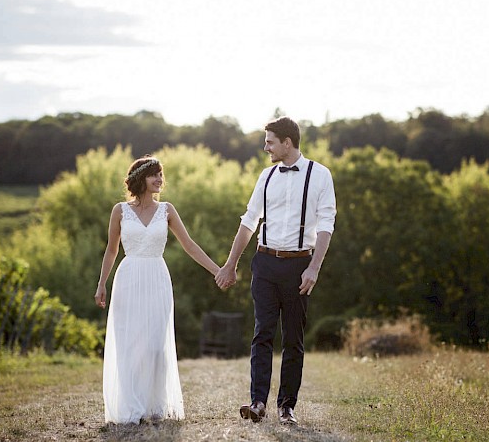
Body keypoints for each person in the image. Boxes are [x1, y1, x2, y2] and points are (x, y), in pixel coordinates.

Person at [215, 117, 336, 426]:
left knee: (293, 338)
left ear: (287, 142)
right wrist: (231, 263)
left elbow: (326, 225)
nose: (265, 146)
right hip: (265, 263)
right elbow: (249, 220)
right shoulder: (266, 176)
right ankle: (257, 402)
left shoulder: (320, 175)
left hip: (299, 266)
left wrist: (314, 267)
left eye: (269, 141)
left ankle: (286, 407)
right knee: (262, 334)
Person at [95, 155, 220, 424]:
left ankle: (154, 405)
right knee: (130, 344)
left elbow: (189, 245)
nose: (160, 180)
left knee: (154, 345)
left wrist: (218, 270)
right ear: (141, 178)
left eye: (162, 175)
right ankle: (132, 408)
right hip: (128, 280)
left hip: (156, 279)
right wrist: (101, 283)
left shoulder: (167, 210)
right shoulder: (120, 210)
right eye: (155, 175)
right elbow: (111, 250)